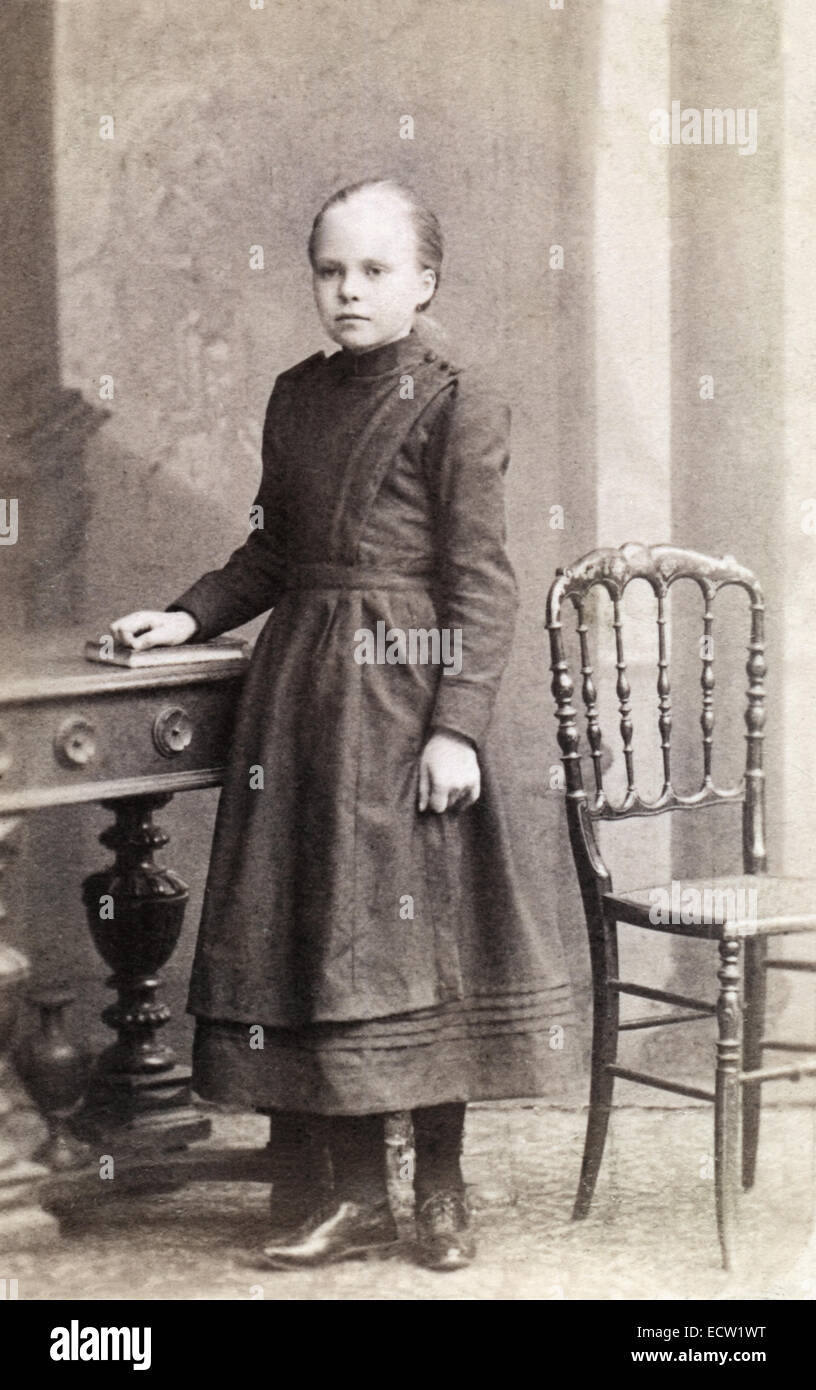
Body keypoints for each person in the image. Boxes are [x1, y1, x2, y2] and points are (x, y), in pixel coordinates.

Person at [111, 178, 573, 1272]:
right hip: (307, 705)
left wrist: (457, 724)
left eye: (374, 270)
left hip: (412, 699)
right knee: (331, 938)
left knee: (428, 941)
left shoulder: (462, 398)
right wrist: (184, 614)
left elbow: (483, 582)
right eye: (331, 269)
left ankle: (444, 1187)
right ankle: (360, 1196)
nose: (349, 289)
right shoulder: (295, 397)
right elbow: (270, 552)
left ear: (424, 281)